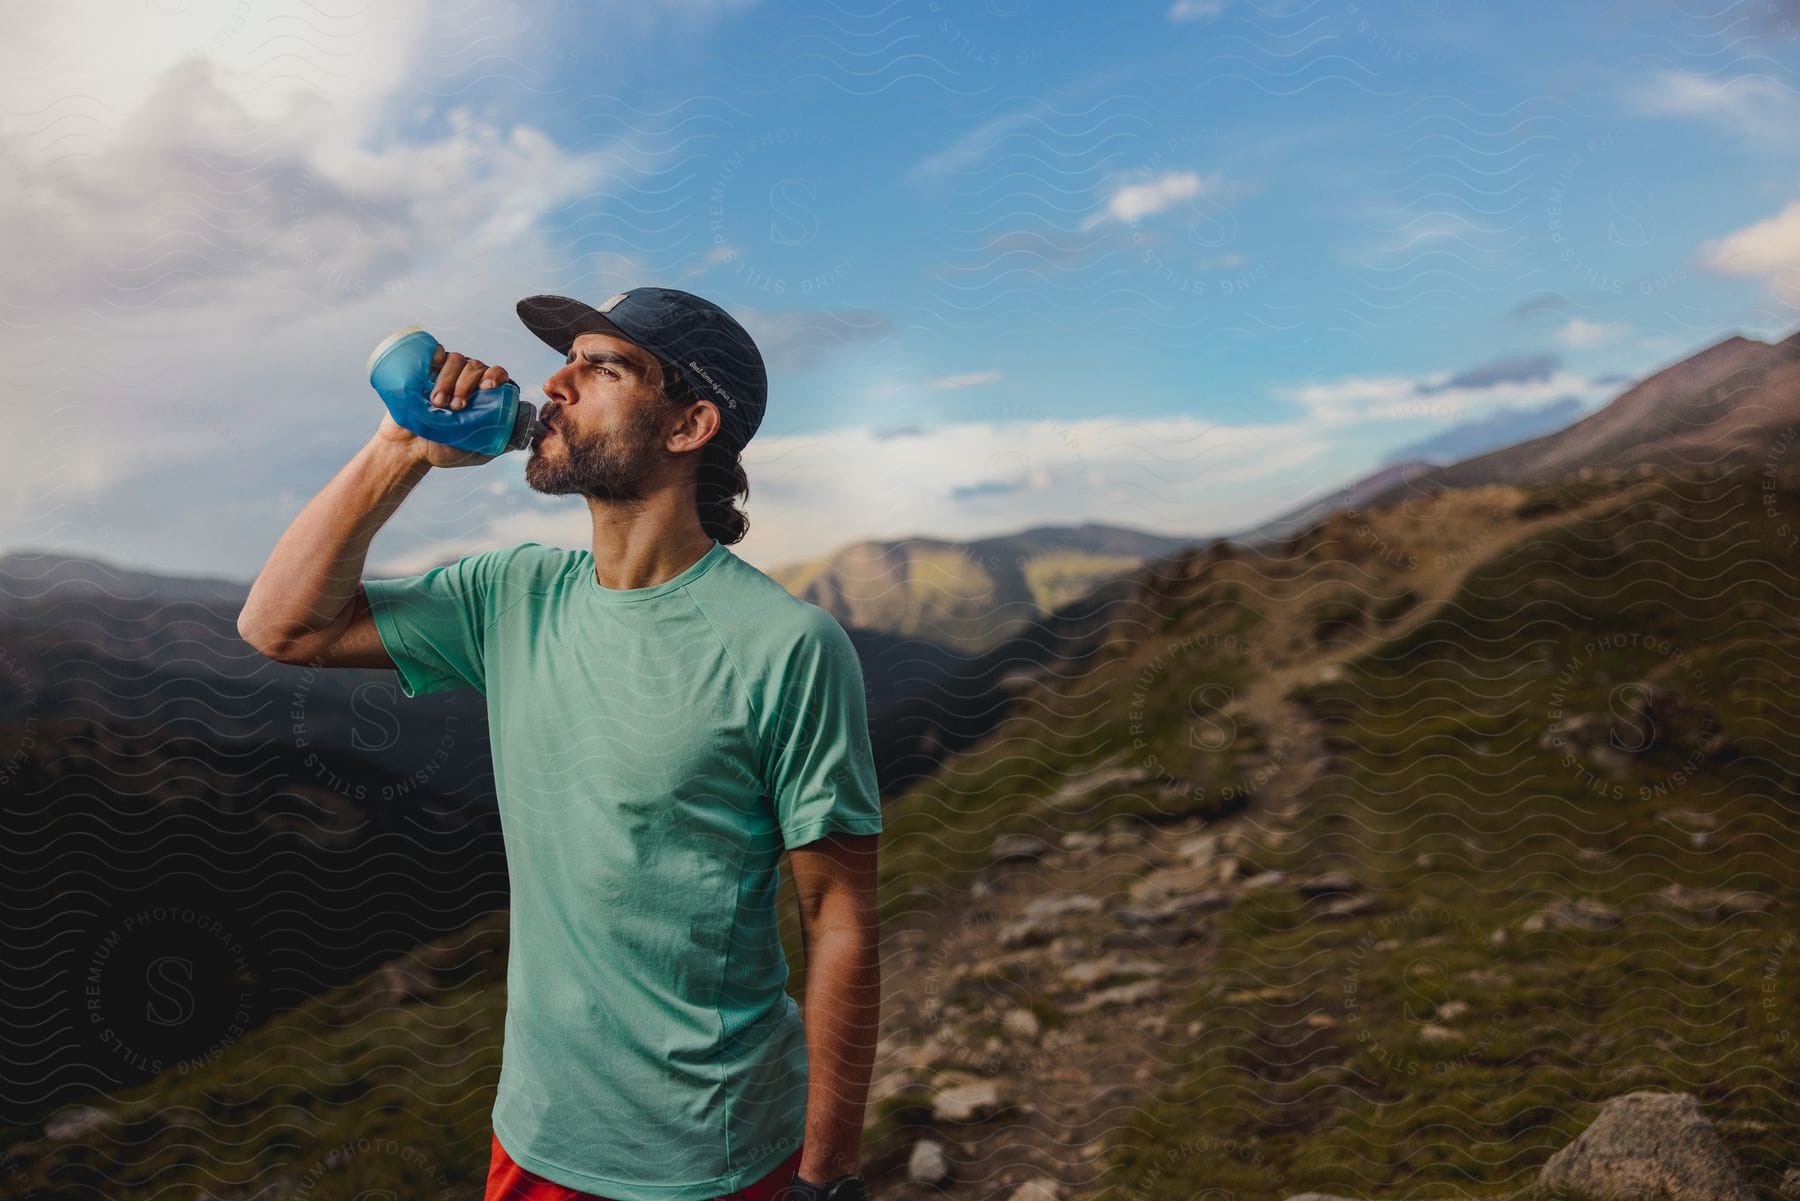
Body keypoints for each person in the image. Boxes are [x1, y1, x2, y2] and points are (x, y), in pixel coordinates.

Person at [238, 288, 882, 1201]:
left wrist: (830, 1172)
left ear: (690, 424)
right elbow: (281, 627)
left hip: (713, 1153)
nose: (555, 382)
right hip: (537, 1131)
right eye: (568, 358)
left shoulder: (787, 647)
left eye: (603, 366)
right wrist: (400, 447)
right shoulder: (512, 593)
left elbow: (841, 919)